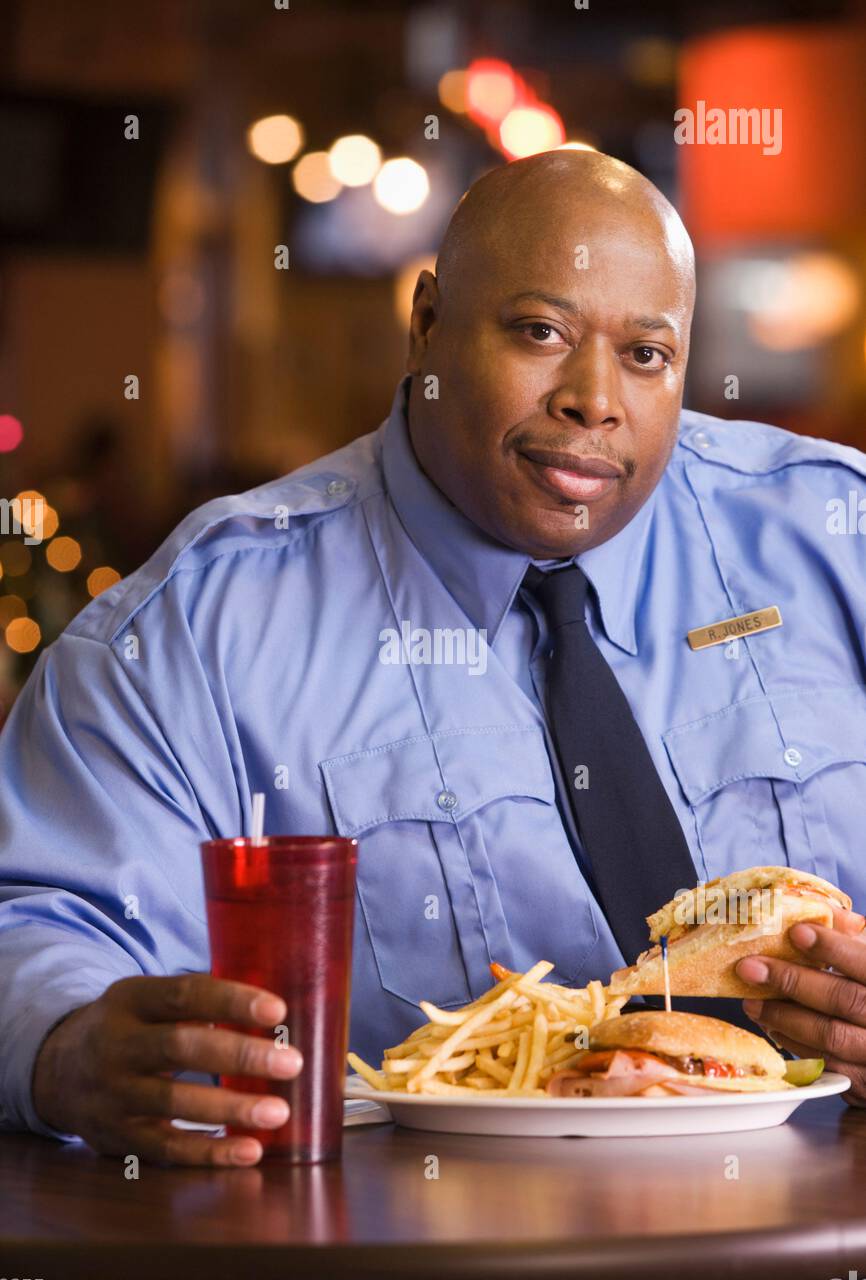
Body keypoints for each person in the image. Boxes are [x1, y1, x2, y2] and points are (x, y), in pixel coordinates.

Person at [1, 151, 864, 1173]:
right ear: (424, 324)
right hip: (431, 1261)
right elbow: (39, 924)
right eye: (540, 332)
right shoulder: (194, 631)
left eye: (644, 354)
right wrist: (67, 1046)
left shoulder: (829, 536)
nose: (593, 399)